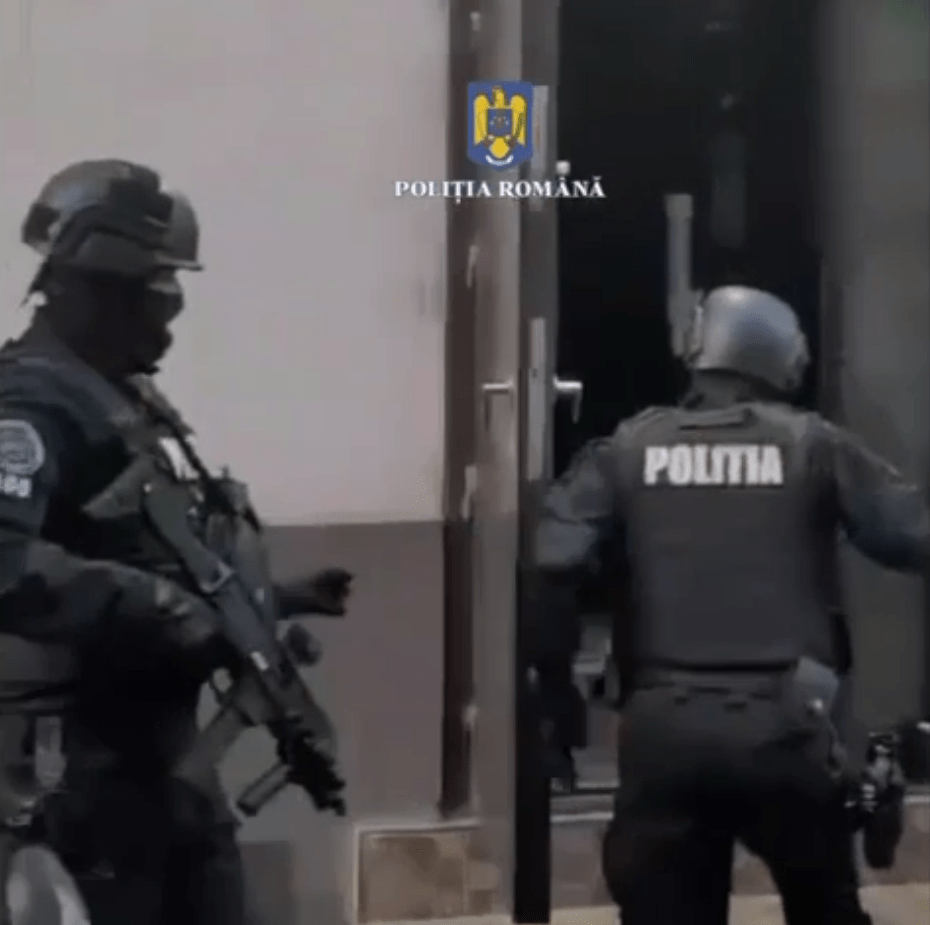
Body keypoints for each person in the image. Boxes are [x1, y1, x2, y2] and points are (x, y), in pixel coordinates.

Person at [0, 159, 353, 925]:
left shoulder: (114, 394)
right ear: (99, 286)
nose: (170, 317)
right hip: (82, 771)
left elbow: (140, 544)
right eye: (156, 294)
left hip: (158, 767)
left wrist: (279, 595)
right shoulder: (33, 399)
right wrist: (157, 604)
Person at [533, 285, 929, 925]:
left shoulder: (629, 448)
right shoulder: (814, 445)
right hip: (789, 729)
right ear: (780, 360)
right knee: (826, 908)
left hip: (664, 733)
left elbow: (552, 560)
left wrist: (555, 701)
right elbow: (912, 537)